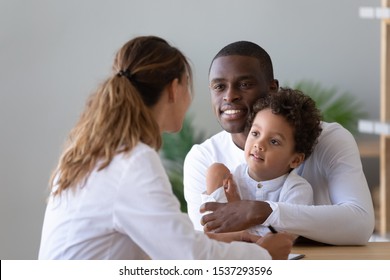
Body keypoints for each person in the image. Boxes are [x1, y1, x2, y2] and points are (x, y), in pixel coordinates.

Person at [38, 36, 295, 260]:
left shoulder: (97, 153)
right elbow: (188, 257)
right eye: (188, 86)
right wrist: (264, 256)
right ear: (174, 89)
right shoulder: (133, 161)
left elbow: (174, 241)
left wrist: (237, 241)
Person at [183, 41, 375, 245]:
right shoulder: (203, 158)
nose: (230, 96)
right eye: (219, 86)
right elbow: (208, 245)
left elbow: (360, 224)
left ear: (272, 88)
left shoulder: (329, 139)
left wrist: (261, 211)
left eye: (245, 84)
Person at [202, 88, 322, 238]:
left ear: (295, 160)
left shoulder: (297, 190)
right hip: (233, 257)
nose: (259, 144)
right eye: (255, 133)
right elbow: (213, 230)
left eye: (274, 141)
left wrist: (236, 206)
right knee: (215, 171)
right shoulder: (231, 180)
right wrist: (231, 207)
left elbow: (281, 239)